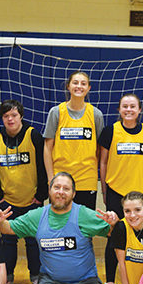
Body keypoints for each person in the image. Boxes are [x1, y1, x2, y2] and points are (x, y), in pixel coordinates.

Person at [0, 172, 119, 284]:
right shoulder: (37, 216)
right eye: (57, 187)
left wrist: (114, 223)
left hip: (85, 283)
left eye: (66, 189)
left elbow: (112, 232)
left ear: (73, 194)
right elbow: (9, 228)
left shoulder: (83, 214)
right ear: (50, 191)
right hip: (52, 282)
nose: (60, 192)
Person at [98, 94, 143, 284]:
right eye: (125, 106)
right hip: (117, 193)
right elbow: (102, 163)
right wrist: (104, 190)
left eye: (133, 106)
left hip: (142, 196)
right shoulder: (110, 131)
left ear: (139, 110)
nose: (129, 109)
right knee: (114, 239)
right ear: (119, 109)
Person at [0, 99, 47, 284]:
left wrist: (41, 194)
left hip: (32, 200)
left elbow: (43, 166)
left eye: (14, 115)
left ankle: (36, 276)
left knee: (33, 241)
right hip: (7, 201)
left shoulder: (33, 135)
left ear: (21, 115)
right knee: (8, 241)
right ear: (2, 118)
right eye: (6, 116)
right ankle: (8, 276)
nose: (10, 119)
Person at [43, 71, 104, 209]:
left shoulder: (96, 114)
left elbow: (99, 149)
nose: (79, 86)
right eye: (75, 83)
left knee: (84, 226)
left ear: (89, 88)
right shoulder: (56, 112)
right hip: (61, 181)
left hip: (86, 180)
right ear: (68, 86)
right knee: (59, 224)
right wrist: (51, 179)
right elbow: (47, 148)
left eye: (83, 83)